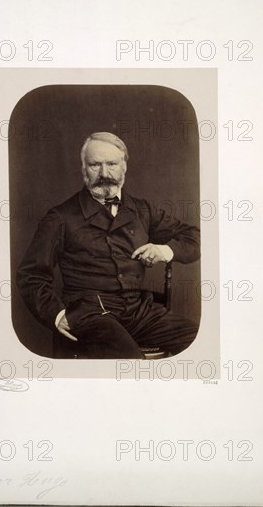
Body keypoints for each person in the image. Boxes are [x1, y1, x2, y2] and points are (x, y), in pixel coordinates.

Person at [16, 132, 200, 359]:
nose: (104, 174)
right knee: (130, 364)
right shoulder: (60, 218)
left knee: (199, 342)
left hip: (140, 312)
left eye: (112, 164)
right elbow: (31, 275)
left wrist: (164, 250)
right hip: (90, 314)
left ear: (124, 167)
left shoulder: (143, 210)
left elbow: (194, 238)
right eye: (95, 165)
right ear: (84, 169)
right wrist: (56, 314)